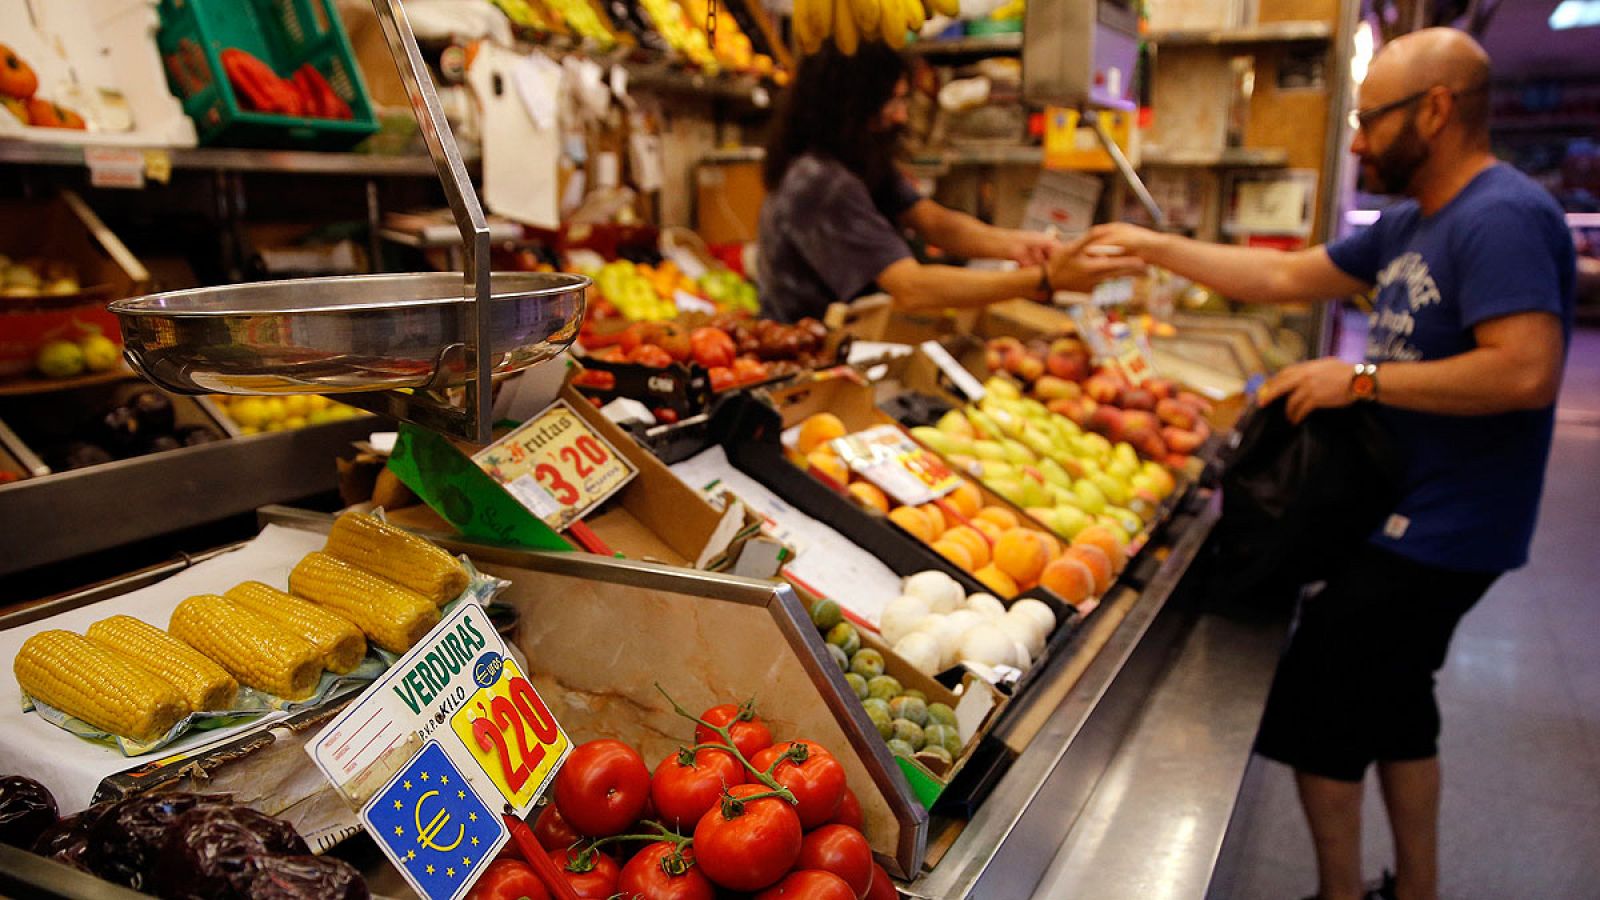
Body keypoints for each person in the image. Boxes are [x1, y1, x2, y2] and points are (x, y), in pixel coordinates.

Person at [1088, 28, 1575, 900]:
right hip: (1404, 505)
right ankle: (1415, 890)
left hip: (1447, 525)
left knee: (1320, 706)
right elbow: (1278, 279)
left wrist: (1360, 378)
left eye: (1367, 120)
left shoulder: (1503, 216)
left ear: (1435, 109)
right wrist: (1152, 248)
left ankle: (1340, 895)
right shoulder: (1411, 222)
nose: (1353, 143)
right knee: (1397, 701)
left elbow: (1527, 370)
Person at [756, 43, 1142, 323]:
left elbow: (935, 221)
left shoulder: (855, 158)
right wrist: (1042, 280)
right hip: (809, 359)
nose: (901, 117)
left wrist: (1021, 246)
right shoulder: (823, 184)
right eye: (892, 103)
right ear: (850, 104)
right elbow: (911, 288)